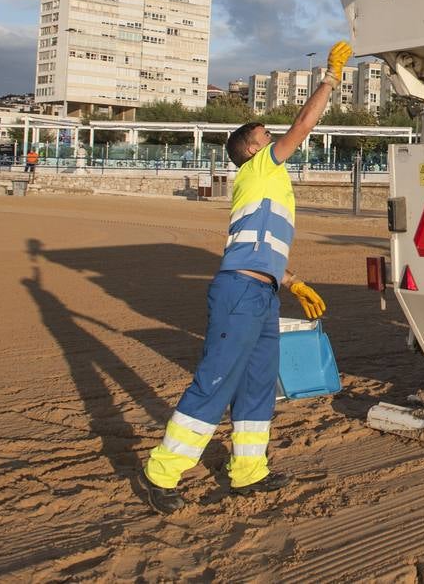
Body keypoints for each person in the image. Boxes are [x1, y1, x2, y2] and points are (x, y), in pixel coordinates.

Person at [138, 41, 352, 514]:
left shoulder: (268, 184)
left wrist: (292, 282)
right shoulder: (260, 167)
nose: (274, 137)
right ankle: (160, 471)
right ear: (253, 149)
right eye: (265, 133)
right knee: (215, 382)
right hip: (238, 293)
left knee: (257, 385)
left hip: (262, 293)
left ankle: (248, 472)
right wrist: (332, 77)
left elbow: (259, 249)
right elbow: (304, 124)